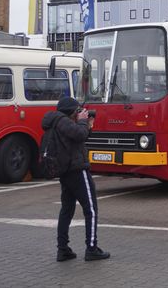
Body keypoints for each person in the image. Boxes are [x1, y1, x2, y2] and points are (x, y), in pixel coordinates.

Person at [42, 96, 110, 262]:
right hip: (77, 171)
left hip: (66, 172)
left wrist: (88, 126)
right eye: (77, 110)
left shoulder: (56, 122)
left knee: (67, 209)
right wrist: (82, 121)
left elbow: (78, 138)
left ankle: (63, 249)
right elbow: (79, 134)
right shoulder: (63, 121)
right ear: (72, 112)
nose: (80, 112)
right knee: (91, 209)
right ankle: (92, 248)